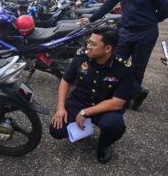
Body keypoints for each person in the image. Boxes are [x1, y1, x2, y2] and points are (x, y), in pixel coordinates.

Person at [80, 0, 168, 110]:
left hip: (145, 34)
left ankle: (126, 98)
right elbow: (108, 4)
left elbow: (164, 12)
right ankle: (136, 92)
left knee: (138, 67)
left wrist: (148, 21)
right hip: (125, 32)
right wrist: (92, 18)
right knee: (116, 63)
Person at [49, 27, 134, 164]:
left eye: (93, 44)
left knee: (114, 126)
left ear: (107, 49)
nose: (88, 47)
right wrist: (60, 107)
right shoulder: (81, 57)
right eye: (88, 42)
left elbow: (117, 103)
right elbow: (66, 80)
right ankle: (80, 130)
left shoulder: (123, 68)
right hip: (79, 102)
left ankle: (105, 143)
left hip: (105, 108)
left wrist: (85, 112)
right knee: (56, 130)